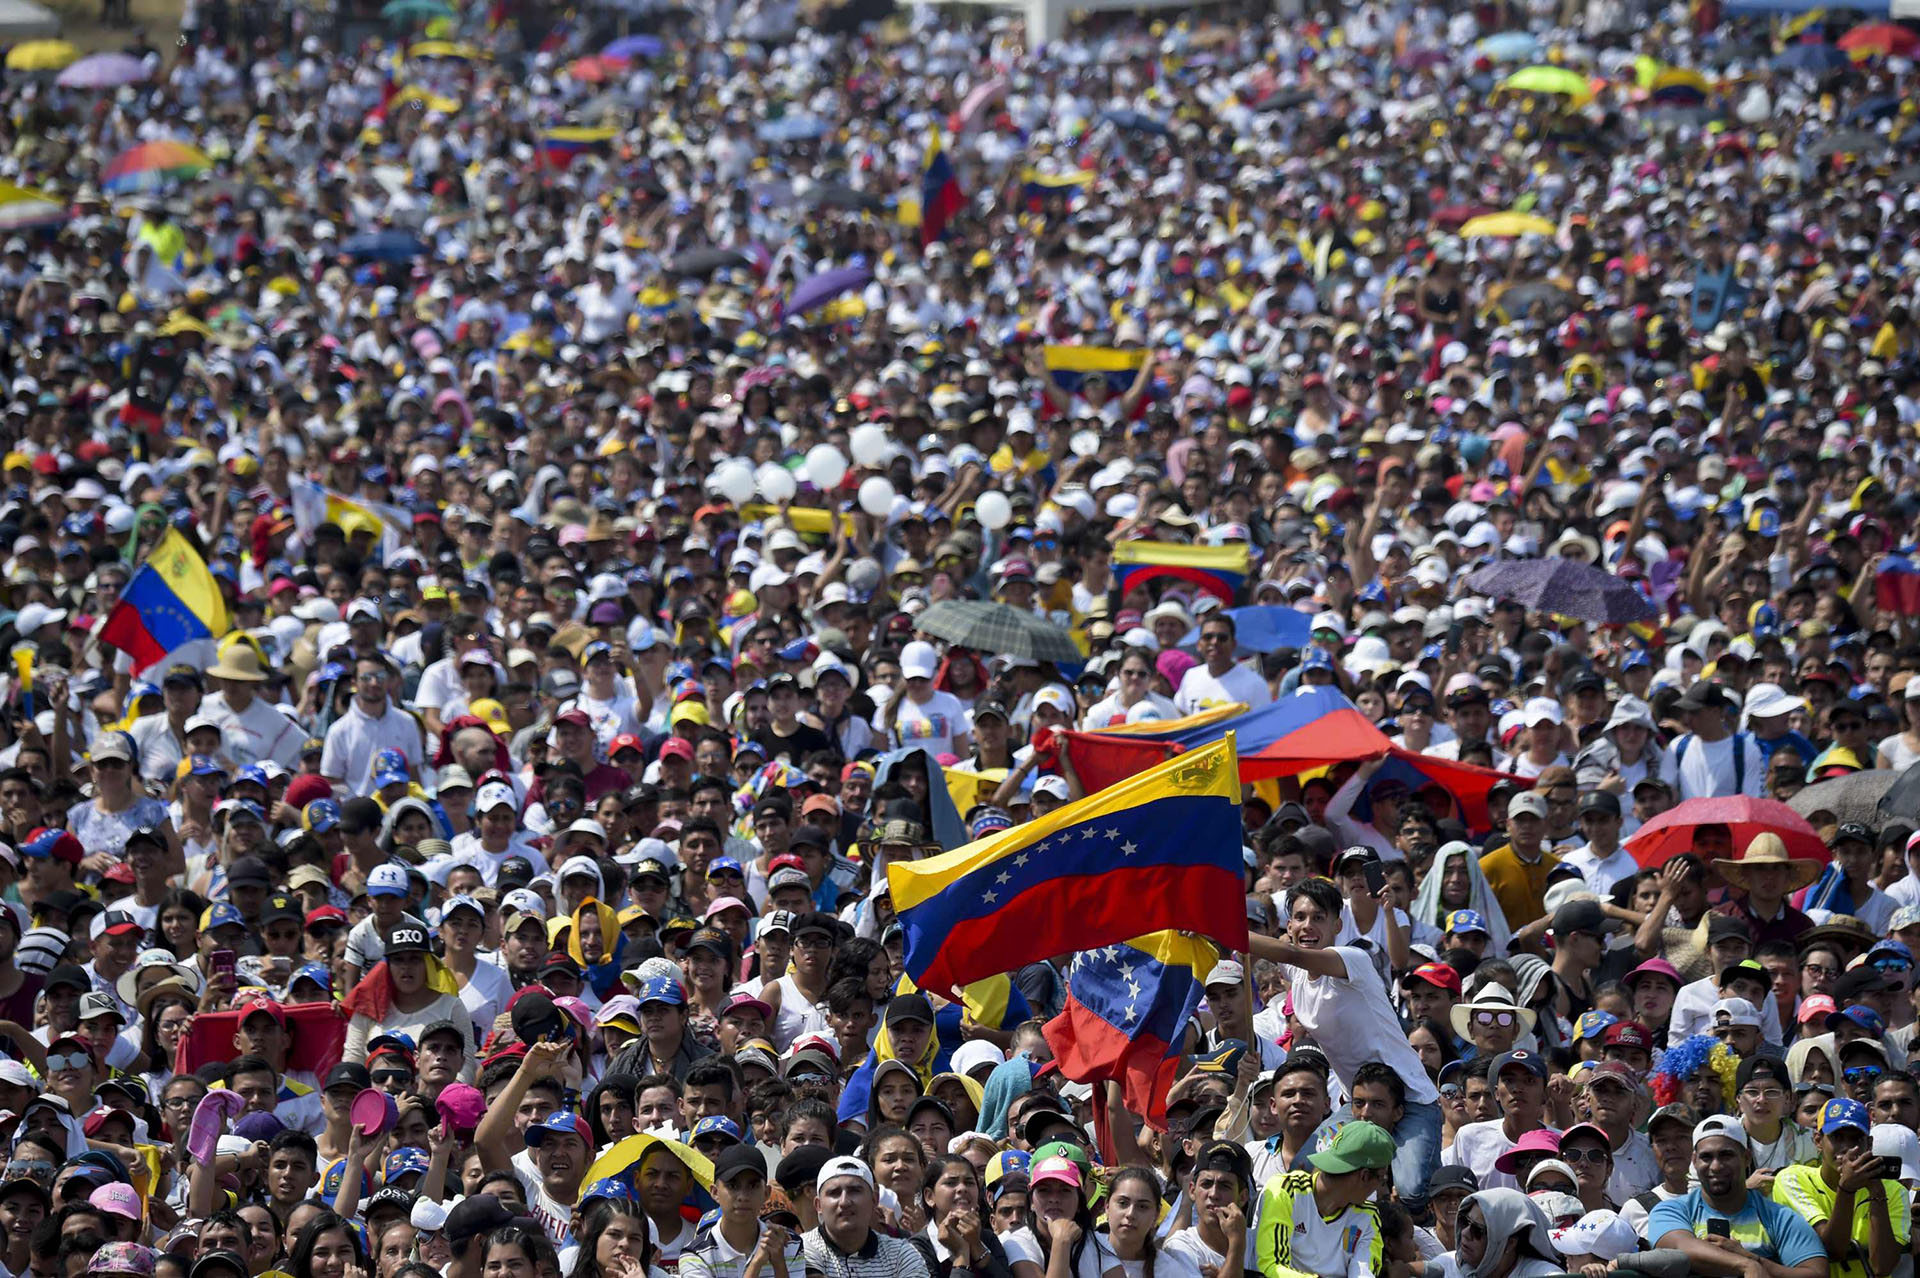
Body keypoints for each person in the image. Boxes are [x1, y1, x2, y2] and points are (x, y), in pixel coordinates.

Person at [1249, 878, 1442, 1207]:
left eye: (1318, 918)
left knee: (1411, 1192)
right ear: (1289, 924)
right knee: (1303, 1171)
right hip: (1358, 1107)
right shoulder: (1295, 972)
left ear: (1337, 925)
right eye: (1299, 917)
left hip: (1411, 1101)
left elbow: (1287, 951)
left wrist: (1222, 931)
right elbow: (1258, 953)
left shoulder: (1351, 958)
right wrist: (1202, 930)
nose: (1308, 925)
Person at [1645, 1114, 1826, 1278]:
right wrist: (1744, 1265)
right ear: (1694, 1161)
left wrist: (1756, 1260)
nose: (1715, 1166)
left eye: (1726, 1155)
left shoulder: (1779, 1217)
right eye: (1706, 1157)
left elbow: (1817, 1273)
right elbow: (1681, 1248)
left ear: (1746, 1158)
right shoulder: (1672, 1210)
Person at [1773, 1098, 1910, 1278]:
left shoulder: (1893, 1191)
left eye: (1856, 1139)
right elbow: (1833, 1250)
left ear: (1868, 1144)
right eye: (1837, 1137)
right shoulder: (1793, 1180)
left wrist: (1877, 1192)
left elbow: (1882, 1268)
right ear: (1818, 1140)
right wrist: (1846, 1189)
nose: (1846, 1147)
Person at [1252, 1121, 1391, 1278]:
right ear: (1364, 1176)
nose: (1381, 1187)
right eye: (1381, 1179)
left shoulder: (1369, 1216)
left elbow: (1363, 1273)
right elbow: (1270, 1266)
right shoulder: (1285, 1190)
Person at [799, 1157, 929, 1278]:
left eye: (854, 1191)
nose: (844, 1202)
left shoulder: (901, 1254)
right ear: (818, 1205)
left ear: (874, 1199)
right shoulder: (802, 1249)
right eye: (834, 1193)